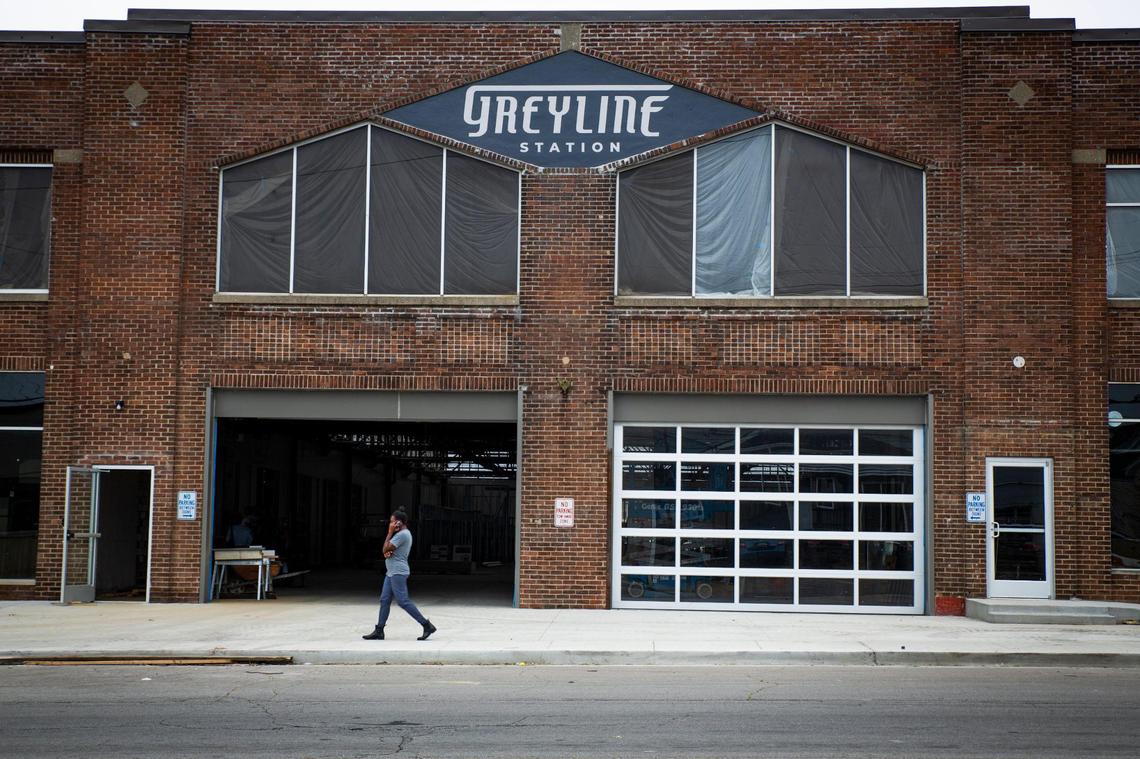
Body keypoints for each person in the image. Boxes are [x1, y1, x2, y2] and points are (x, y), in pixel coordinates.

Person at [362, 509, 437, 641]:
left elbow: (385, 549)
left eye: (392, 522)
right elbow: (387, 552)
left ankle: (426, 625)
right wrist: (389, 544)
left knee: (403, 601)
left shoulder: (402, 535)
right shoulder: (401, 534)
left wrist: (390, 532)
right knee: (384, 600)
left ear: (399, 522)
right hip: (391, 572)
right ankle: (379, 630)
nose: (390, 524)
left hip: (398, 572)